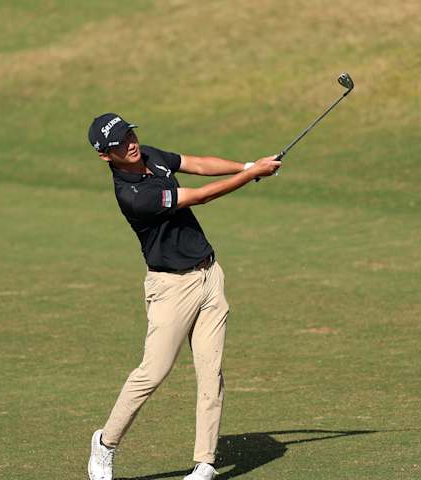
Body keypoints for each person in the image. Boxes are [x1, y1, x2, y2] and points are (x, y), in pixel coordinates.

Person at [85, 113, 281, 480]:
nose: (130, 143)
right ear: (105, 156)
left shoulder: (148, 156)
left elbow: (195, 164)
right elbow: (199, 196)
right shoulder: (133, 195)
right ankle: (105, 443)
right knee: (152, 373)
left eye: (129, 134)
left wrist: (246, 164)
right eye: (119, 143)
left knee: (211, 373)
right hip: (170, 289)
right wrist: (251, 176)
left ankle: (204, 463)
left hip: (209, 276)